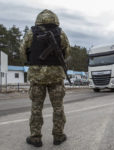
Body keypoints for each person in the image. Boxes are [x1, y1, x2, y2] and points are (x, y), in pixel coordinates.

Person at [20, 9, 70, 147]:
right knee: (58, 108)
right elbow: (67, 53)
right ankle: (58, 136)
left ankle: (35, 138)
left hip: (37, 77)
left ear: (39, 19)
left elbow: (22, 51)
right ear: (55, 19)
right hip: (56, 77)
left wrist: (31, 62)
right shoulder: (61, 33)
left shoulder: (31, 33)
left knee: (36, 108)